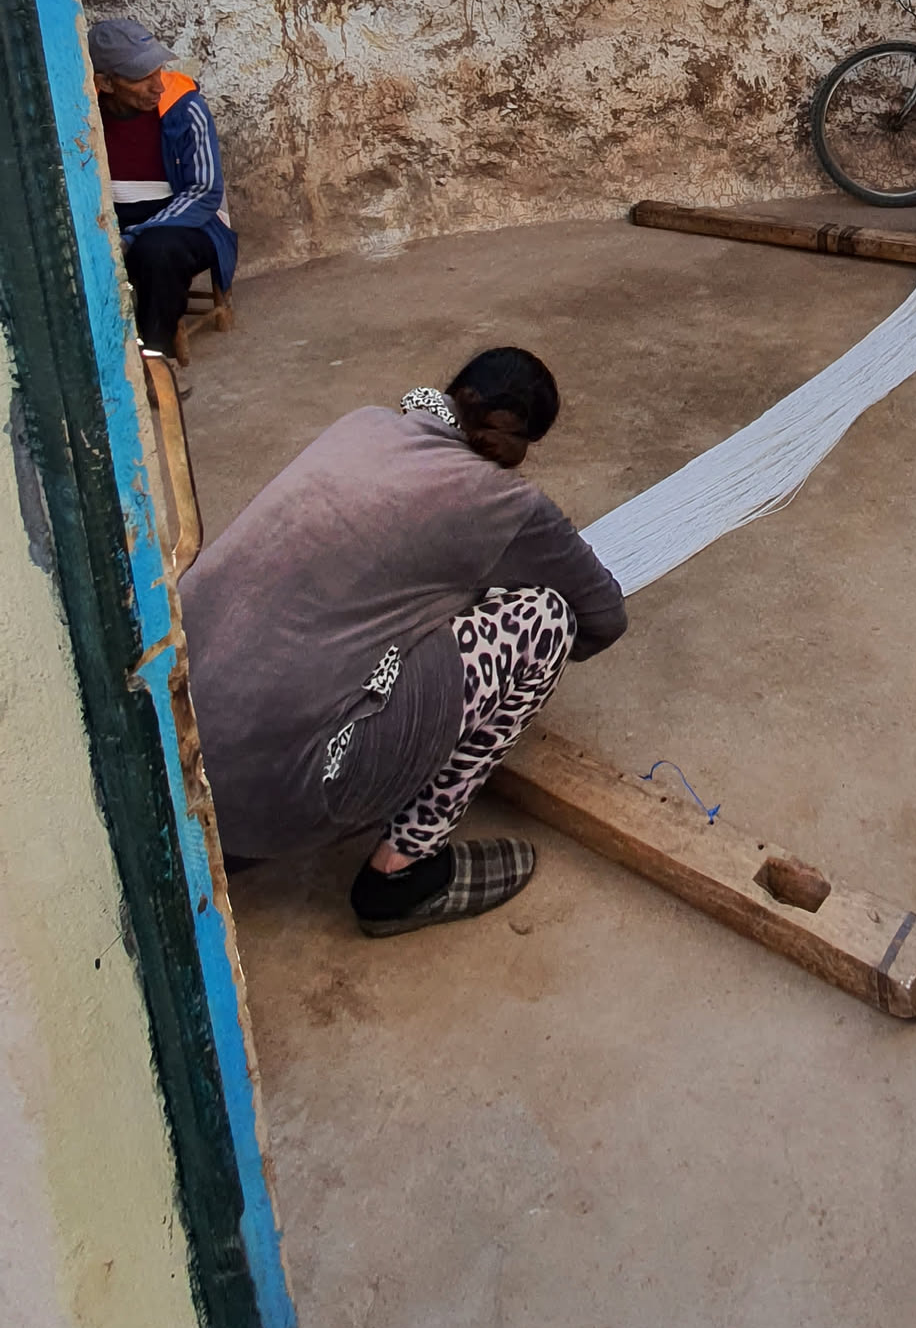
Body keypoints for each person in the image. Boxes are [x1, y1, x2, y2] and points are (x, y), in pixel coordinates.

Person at [182, 346, 627, 938]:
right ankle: (401, 873)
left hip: (179, 753)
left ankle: (236, 818)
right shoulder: (507, 503)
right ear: (514, 438)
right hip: (286, 789)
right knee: (547, 621)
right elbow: (604, 615)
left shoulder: (365, 424)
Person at [88, 17, 237, 360]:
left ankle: (154, 360)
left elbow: (204, 191)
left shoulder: (185, 108)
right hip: (119, 223)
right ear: (105, 83)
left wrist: (135, 235)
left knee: (156, 252)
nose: (157, 85)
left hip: (190, 223)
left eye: (158, 70)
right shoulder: (84, 116)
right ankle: (105, 359)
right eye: (142, 78)